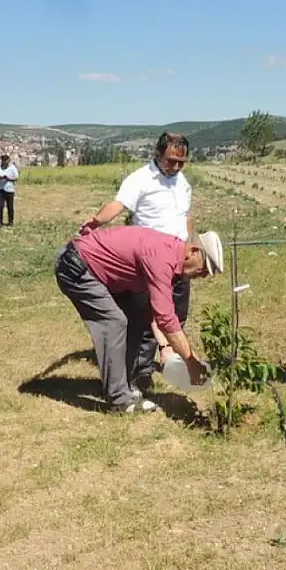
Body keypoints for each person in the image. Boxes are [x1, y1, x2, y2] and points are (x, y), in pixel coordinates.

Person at [54, 225, 222, 413]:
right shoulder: (161, 258)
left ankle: (122, 385)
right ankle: (118, 400)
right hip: (77, 268)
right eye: (202, 270)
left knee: (137, 316)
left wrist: (171, 350)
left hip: (99, 272)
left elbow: (155, 311)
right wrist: (191, 364)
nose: (201, 276)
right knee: (114, 322)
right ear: (193, 251)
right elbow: (166, 319)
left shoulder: (170, 255)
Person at [79, 133, 194, 395]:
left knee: (178, 312)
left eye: (181, 162)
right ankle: (140, 373)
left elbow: (186, 216)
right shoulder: (140, 179)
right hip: (149, 262)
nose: (175, 167)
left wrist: (191, 245)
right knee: (144, 319)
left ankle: (172, 361)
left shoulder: (183, 182)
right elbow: (119, 204)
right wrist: (97, 221)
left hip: (180, 258)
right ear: (157, 154)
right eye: (171, 161)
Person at [0, 153, 18, 226]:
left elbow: (16, 178)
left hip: (10, 190)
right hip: (0, 189)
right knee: (0, 206)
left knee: (10, 207)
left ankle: (10, 222)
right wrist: (0, 177)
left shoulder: (12, 168)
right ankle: (0, 222)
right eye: (4, 161)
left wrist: (9, 179)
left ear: (8, 160)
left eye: (7, 161)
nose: (5, 162)